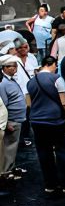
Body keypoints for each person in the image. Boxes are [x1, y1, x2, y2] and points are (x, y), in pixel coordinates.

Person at [28, 56, 65, 193]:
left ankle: (50, 184)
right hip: (55, 120)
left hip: (36, 121)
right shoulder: (56, 78)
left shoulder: (31, 81)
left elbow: (28, 103)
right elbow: (64, 103)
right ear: (52, 65)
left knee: (44, 152)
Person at [0, 55, 27, 183]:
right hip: (11, 120)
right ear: (4, 68)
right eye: (12, 66)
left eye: (15, 66)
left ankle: (11, 168)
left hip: (17, 119)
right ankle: (6, 171)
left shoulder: (10, 80)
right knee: (8, 148)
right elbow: (3, 105)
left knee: (13, 147)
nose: (15, 69)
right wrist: (6, 123)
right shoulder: (3, 84)